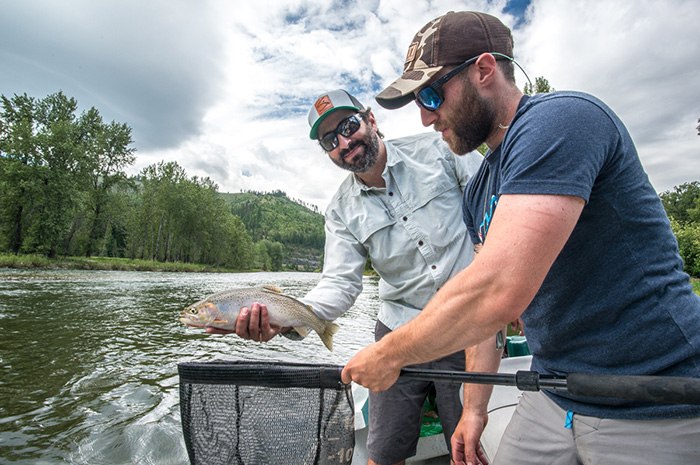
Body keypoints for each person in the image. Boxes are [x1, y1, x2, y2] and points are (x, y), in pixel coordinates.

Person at [341, 10, 700, 465]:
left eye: (432, 94)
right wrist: (473, 409)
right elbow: (486, 320)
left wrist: (388, 354)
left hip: (656, 393)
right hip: (554, 390)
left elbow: (496, 291)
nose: (427, 117)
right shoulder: (479, 189)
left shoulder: (560, 120)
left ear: (485, 70)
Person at [209, 88, 495, 465]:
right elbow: (340, 284)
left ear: (370, 120)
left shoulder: (442, 151)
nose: (345, 142)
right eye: (331, 139)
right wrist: (286, 317)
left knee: (470, 449)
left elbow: (496, 214)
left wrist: (508, 294)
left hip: (469, 325)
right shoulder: (340, 212)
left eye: (348, 125)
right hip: (399, 330)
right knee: (380, 453)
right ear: (327, 152)